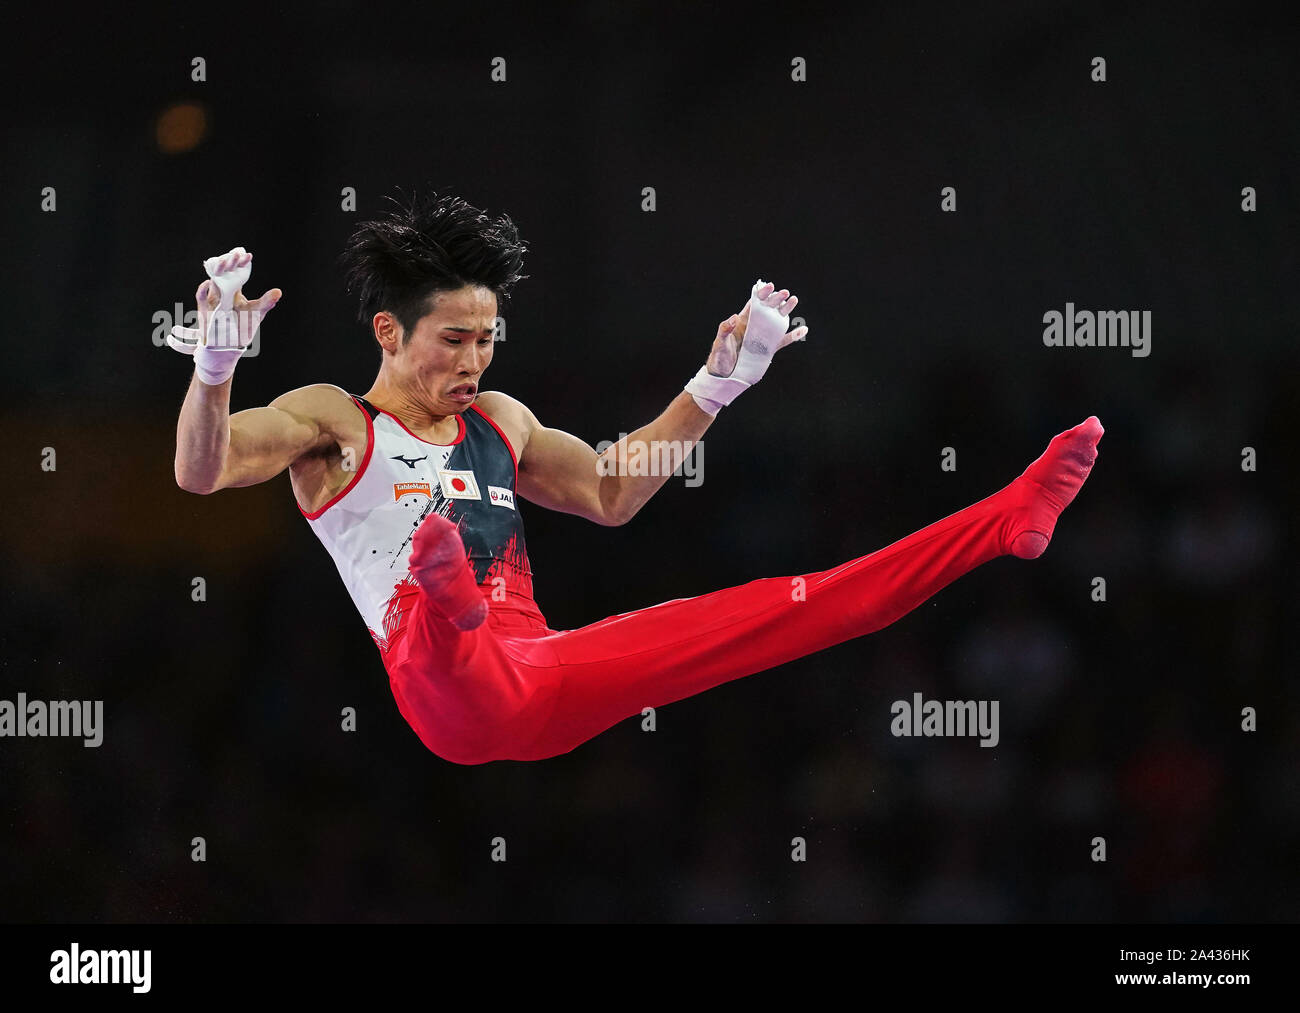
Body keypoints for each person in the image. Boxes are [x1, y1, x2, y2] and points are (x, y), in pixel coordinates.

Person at [171, 191, 1103, 765]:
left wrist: (717, 386)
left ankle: (1006, 517)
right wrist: (214, 374)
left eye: (488, 339)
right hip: (443, 691)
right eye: (453, 339)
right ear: (388, 332)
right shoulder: (335, 420)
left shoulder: (502, 421)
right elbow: (201, 473)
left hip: (542, 678)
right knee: (437, 602)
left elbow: (616, 490)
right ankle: (442, 588)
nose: (475, 361)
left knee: (782, 607)